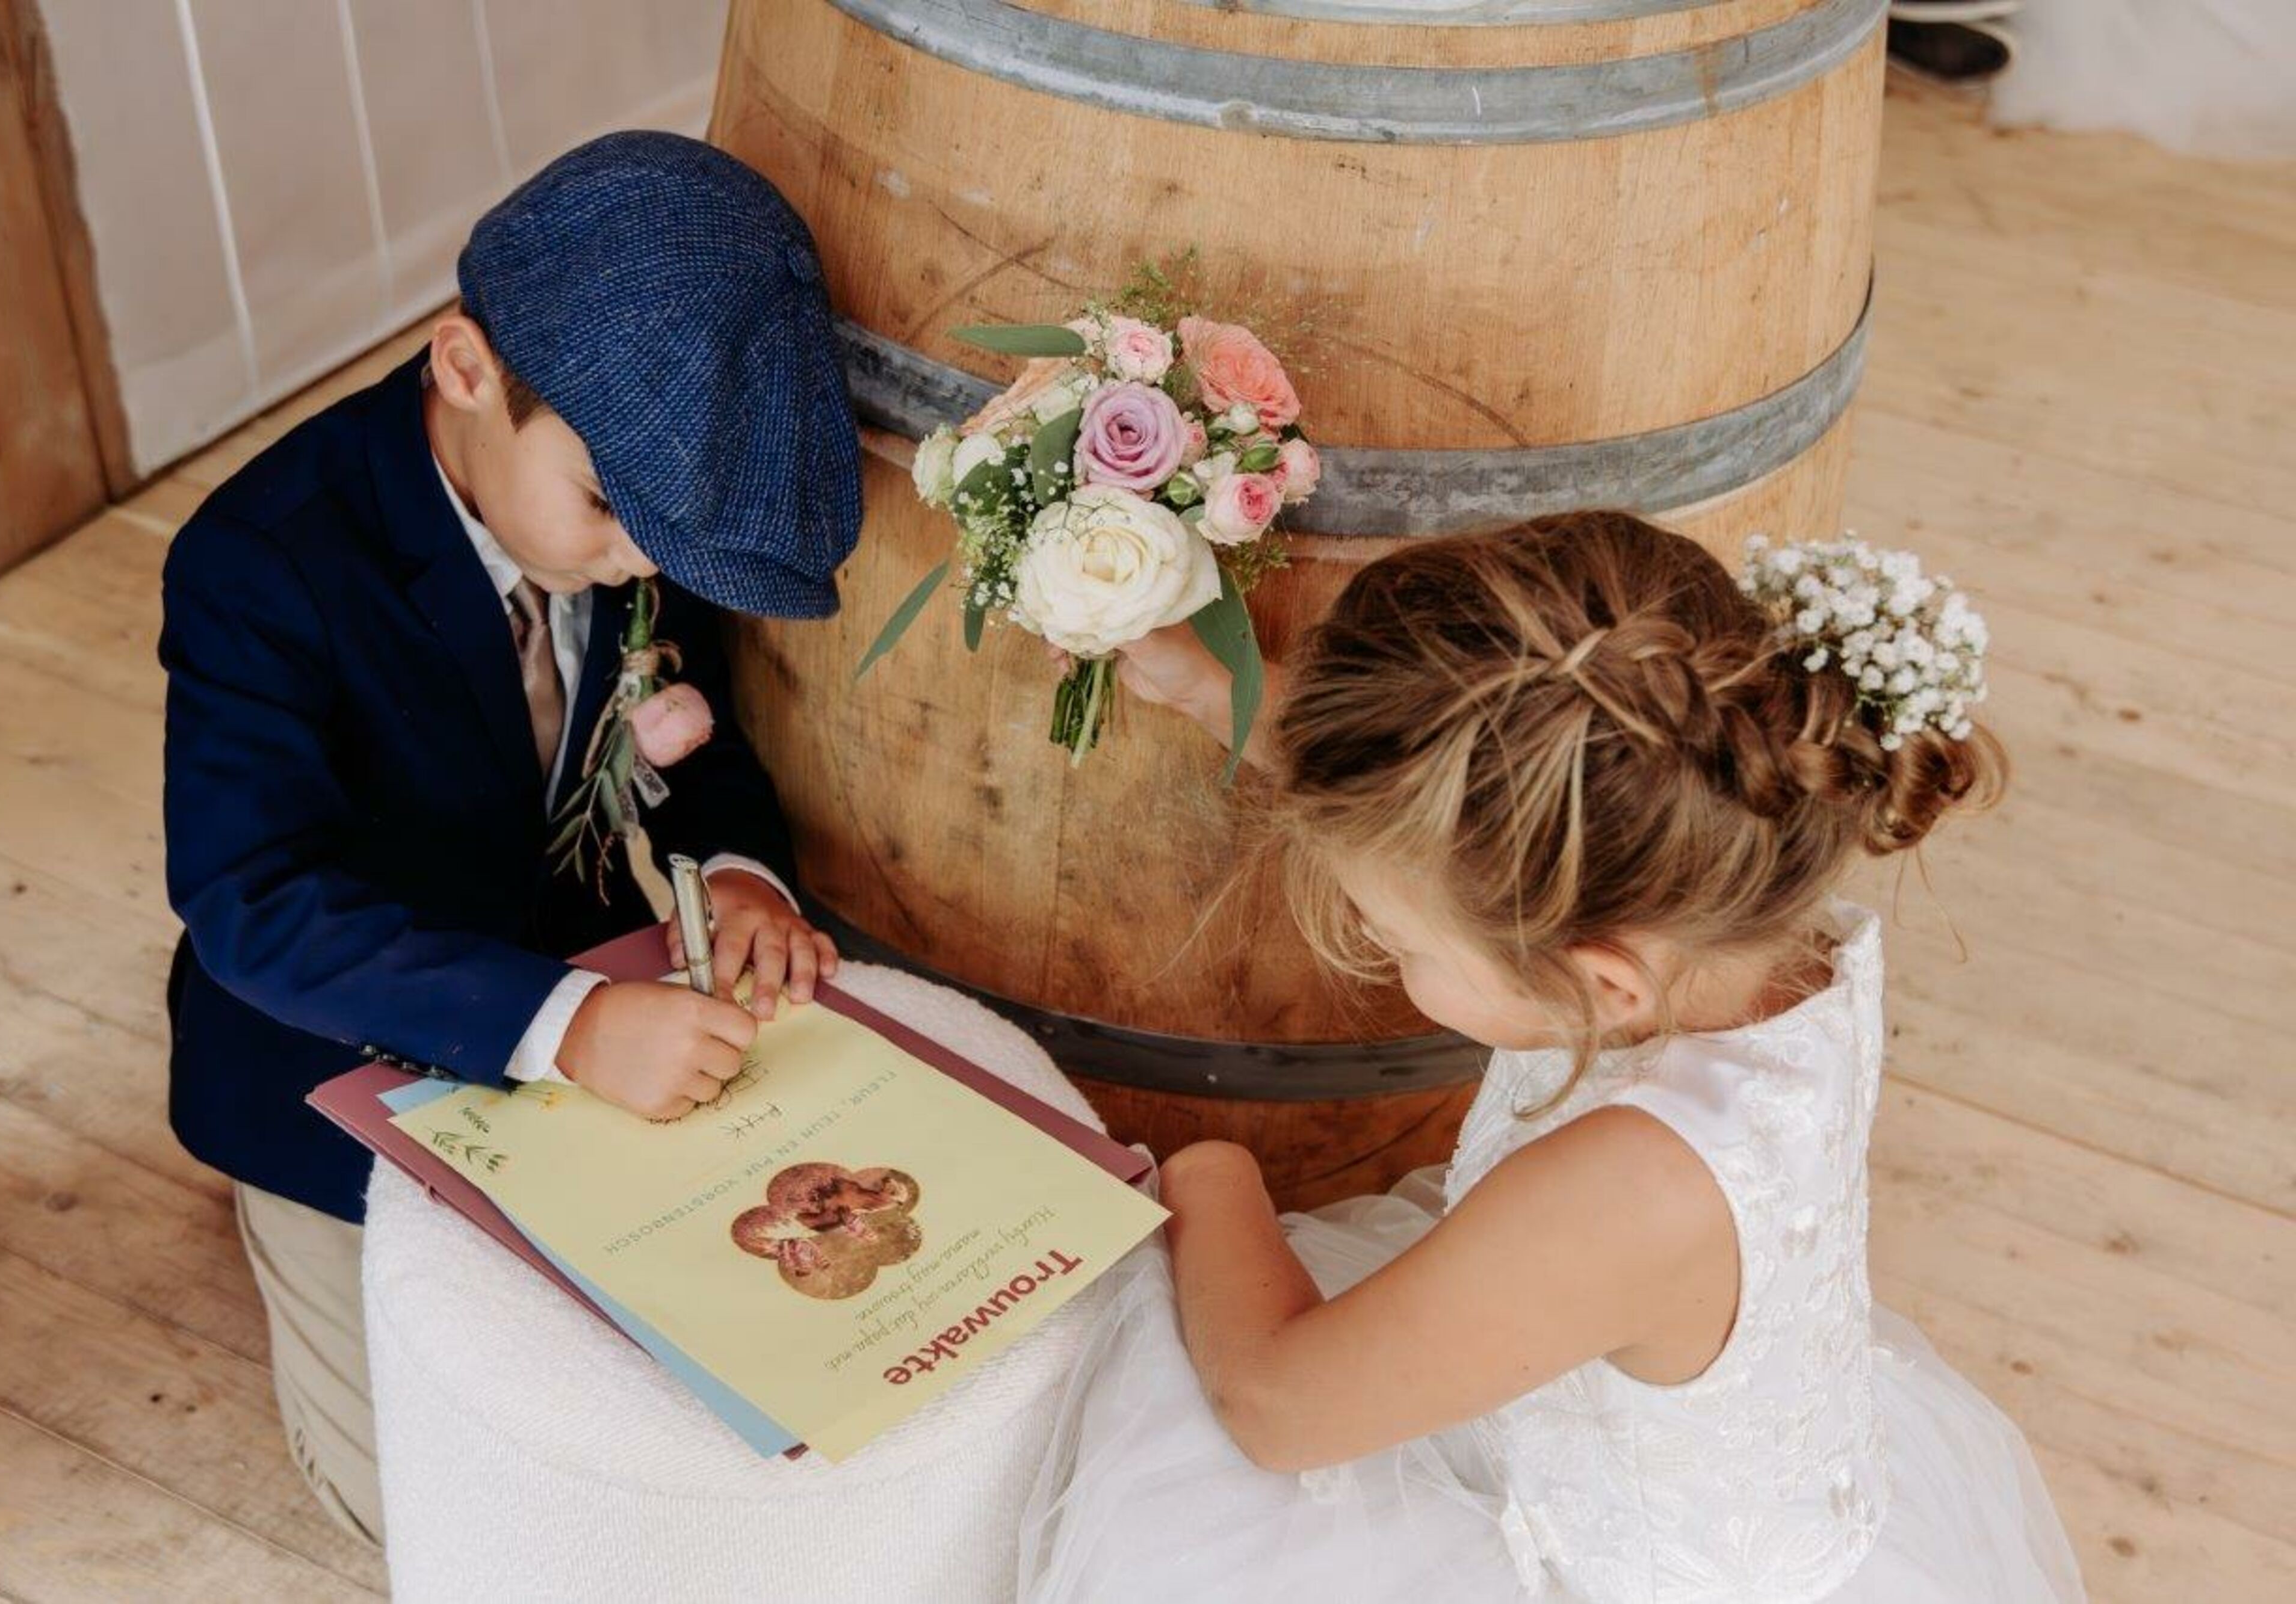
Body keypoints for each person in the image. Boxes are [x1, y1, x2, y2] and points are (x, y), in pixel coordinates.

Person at [1019, 512, 2084, 1602]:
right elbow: (1458, 812)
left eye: (1400, 944)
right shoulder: (1743, 896)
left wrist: (1212, 1173)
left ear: (1599, 984)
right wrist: (1212, 689)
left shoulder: (1633, 1189)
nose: (1383, 948)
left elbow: (1278, 1410)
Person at [159, 131, 858, 1544]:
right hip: (334, 1052)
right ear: (464, 366)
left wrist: (738, 874)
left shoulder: (624, 517)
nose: (639, 564)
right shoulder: (261, 559)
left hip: (594, 1008)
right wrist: (567, 1024)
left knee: (744, 1393)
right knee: (436, 1510)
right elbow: (251, 899)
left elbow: (700, 731)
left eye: (665, 540)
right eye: (609, 512)